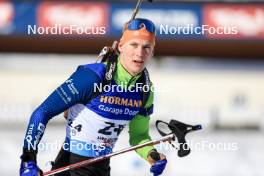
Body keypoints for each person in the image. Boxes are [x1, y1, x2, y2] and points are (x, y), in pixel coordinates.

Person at [20, 18, 167, 176]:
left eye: (147, 47)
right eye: (134, 44)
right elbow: (42, 112)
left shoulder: (145, 89)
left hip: (101, 168)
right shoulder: (92, 76)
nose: (139, 53)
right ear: (121, 46)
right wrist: (28, 159)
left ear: (152, 52)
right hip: (71, 166)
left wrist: (152, 155)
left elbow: (139, 135)